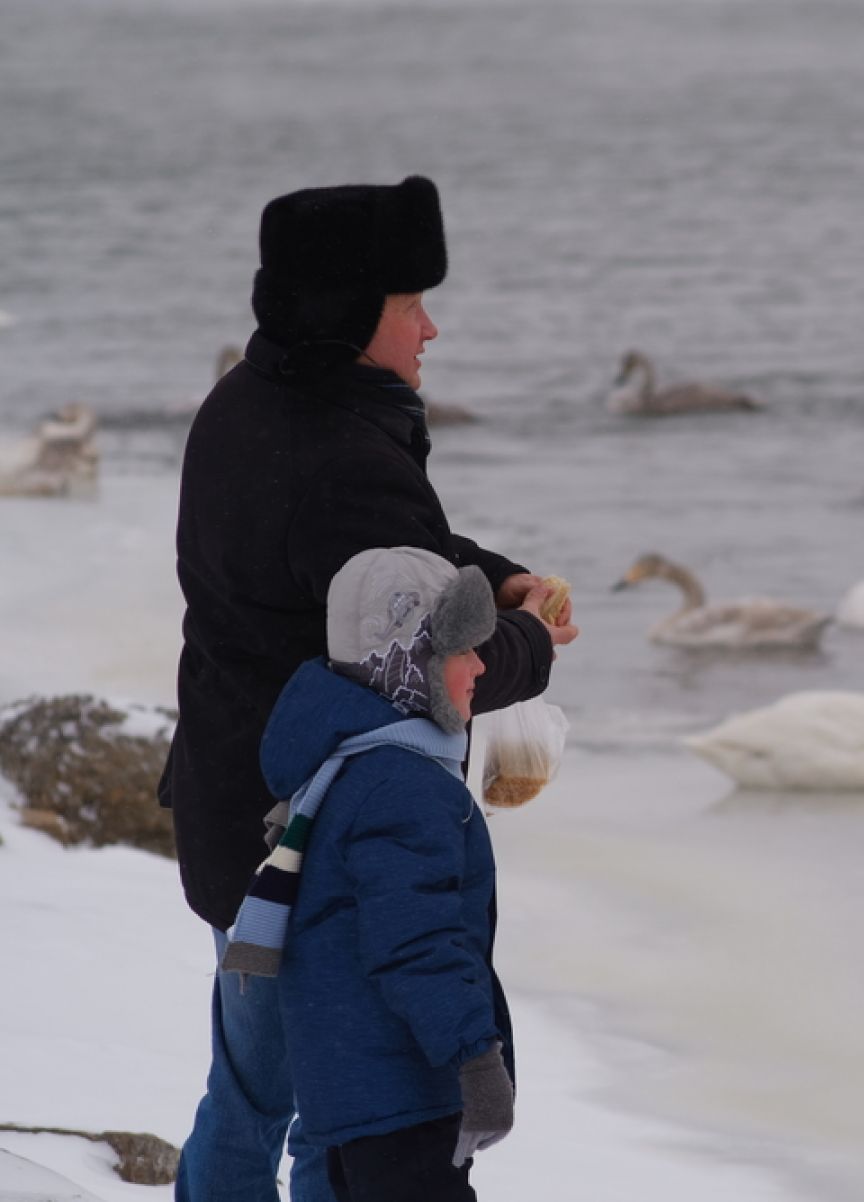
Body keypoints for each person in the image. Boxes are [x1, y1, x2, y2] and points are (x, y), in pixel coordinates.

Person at [158, 175, 579, 1201]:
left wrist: (493, 571)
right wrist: (531, 634)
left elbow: (386, 560)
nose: (430, 328)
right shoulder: (344, 454)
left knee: (250, 1092)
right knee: (333, 1118)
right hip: (312, 842)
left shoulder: (247, 404)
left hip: (227, 811)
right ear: (348, 316)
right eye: (408, 304)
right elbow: (440, 668)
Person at [225, 546, 516, 1201]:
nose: (480, 666)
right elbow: (415, 940)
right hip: (402, 1091)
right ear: (411, 660)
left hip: (356, 1090)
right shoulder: (403, 786)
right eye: (462, 650)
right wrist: (475, 1055)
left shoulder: (347, 767)